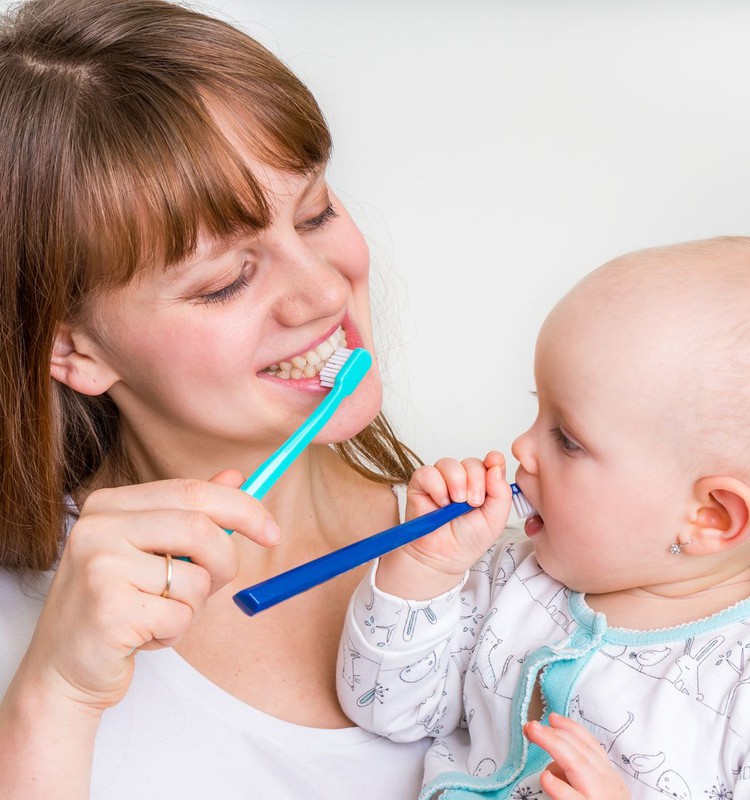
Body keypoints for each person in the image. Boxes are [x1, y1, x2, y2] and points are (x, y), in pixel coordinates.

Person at [0, 0, 432, 797]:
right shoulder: (23, 631)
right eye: (224, 280)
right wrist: (53, 698)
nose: (322, 288)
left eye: (316, 212)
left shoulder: (518, 564)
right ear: (72, 348)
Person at [338, 236, 750, 800]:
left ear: (709, 516)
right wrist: (424, 571)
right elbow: (384, 710)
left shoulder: (736, 689)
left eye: (568, 440)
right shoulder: (508, 575)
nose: (522, 448)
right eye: (537, 409)